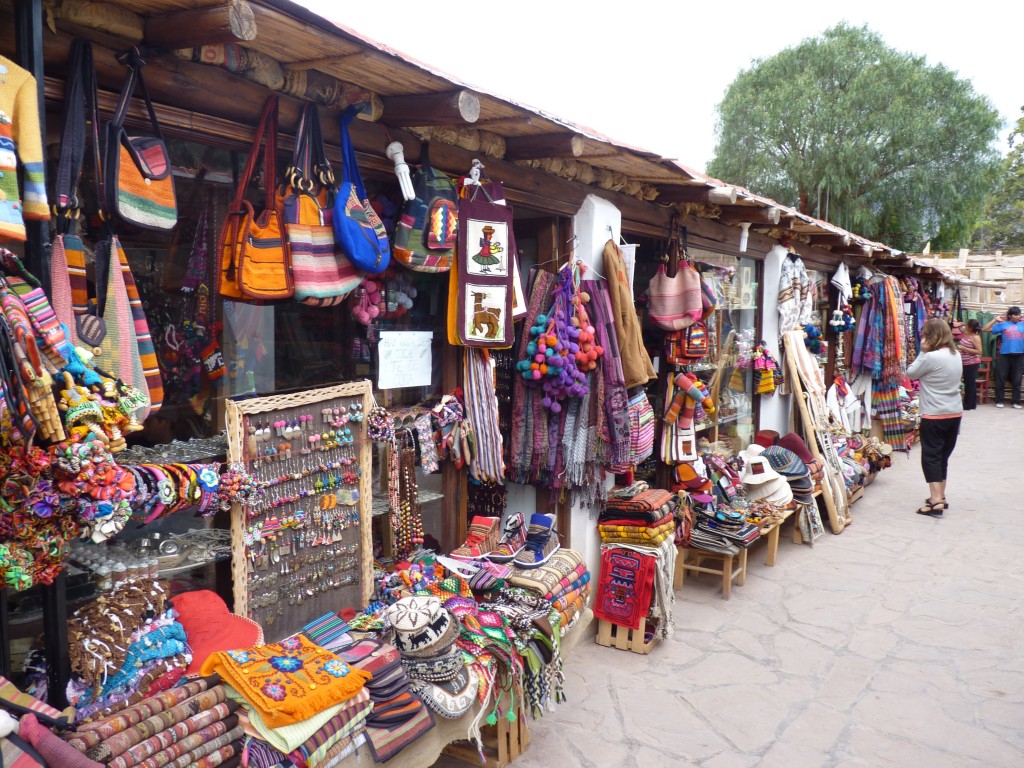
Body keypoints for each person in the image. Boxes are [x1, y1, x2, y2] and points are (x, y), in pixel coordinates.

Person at [906, 318, 962, 517]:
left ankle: (936, 500)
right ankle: (941, 496)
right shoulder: (956, 355)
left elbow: (911, 373)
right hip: (954, 412)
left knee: (930, 456)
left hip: (935, 414)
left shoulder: (932, 357)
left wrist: (922, 351)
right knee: (942, 456)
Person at [983, 306, 1024, 408]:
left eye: (1019, 314)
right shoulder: (1003, 325)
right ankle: (999, 401)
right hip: (1004, 356)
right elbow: (984, 329)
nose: (1018, 316)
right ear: (1010, 315)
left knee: (1017, 380)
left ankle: (1015, 402)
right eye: (1015, 314)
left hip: (1019, 356)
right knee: (1001, 378)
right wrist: (994, 320)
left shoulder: (1022, 325)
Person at [953, 318, 983, 410]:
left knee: (970, 384)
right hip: (964, 363)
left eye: (967, 325)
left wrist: (964, 348)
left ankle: (968, 404)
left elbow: (979, 351)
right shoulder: (966, 334)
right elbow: (957, 326)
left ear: (971, 327)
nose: (965, 326)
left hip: (972, 363)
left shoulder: (975, 337)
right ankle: (972, 404)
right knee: (968, 383)